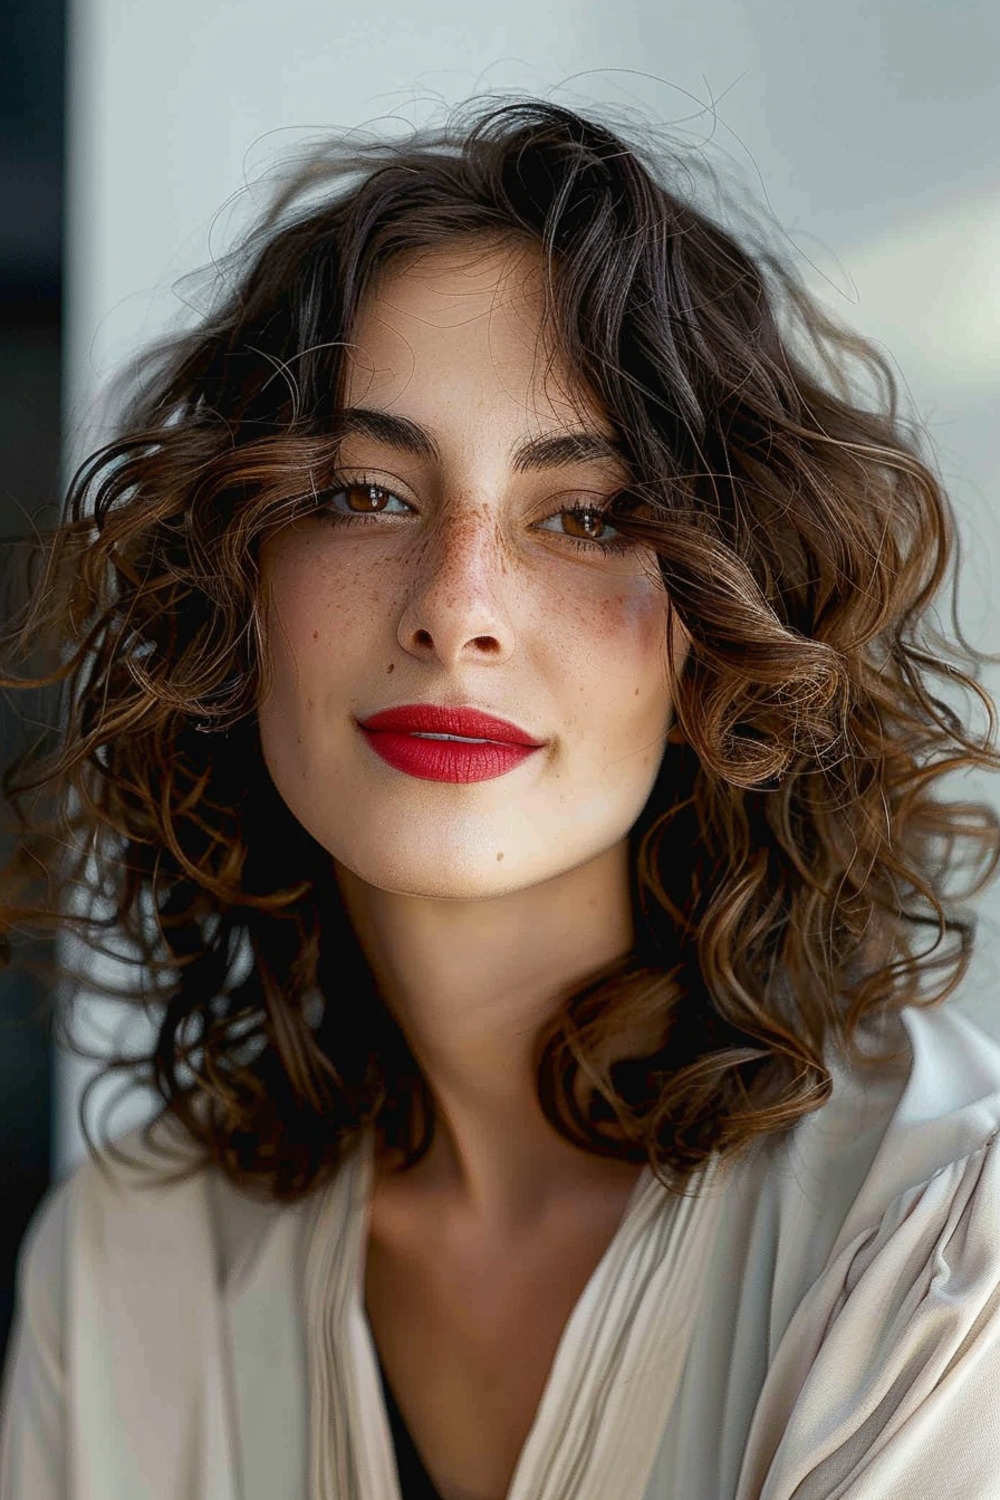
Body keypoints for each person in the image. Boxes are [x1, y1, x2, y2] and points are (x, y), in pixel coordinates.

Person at [1, 95, 1000, 1500]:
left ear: (725, 623)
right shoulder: (128, 1268)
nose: (457, 607)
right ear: (237, 590)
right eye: (362, 494)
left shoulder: (945, 1245)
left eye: (586, 516)